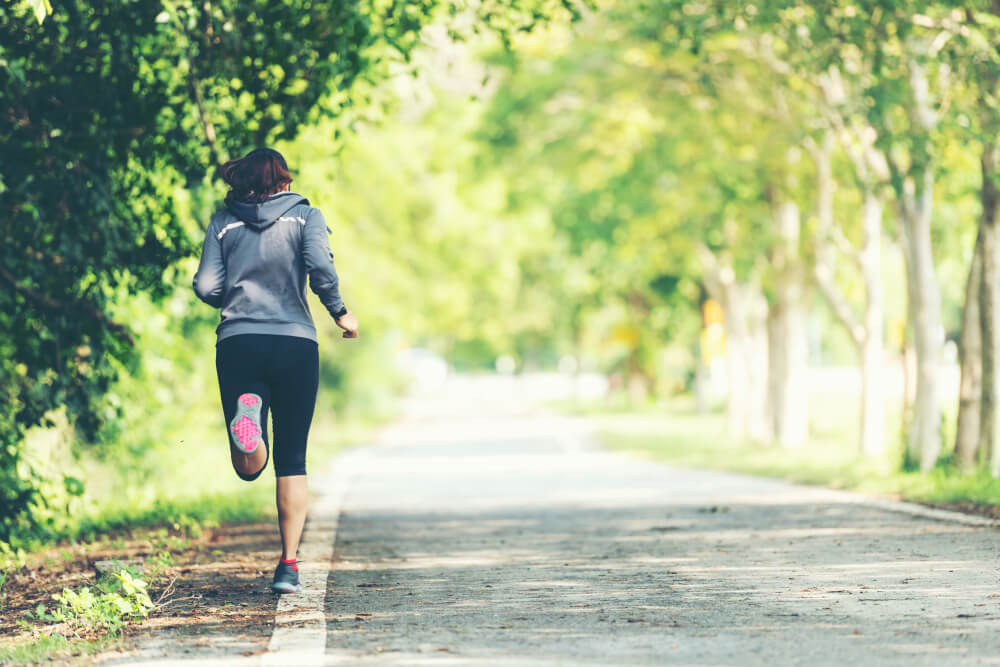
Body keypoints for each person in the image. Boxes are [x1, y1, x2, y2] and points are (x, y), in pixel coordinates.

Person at [192, 147, 358, 594]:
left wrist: (234, 298)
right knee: (293, 461)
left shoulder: (223, 222)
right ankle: (288, 566)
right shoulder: (306, 216)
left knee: (248, 467)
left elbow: (206, 284)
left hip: (239, 342)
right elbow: (321, 268)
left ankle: (250, 420)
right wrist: (341, 313)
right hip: (294, 343)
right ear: (284, 181)